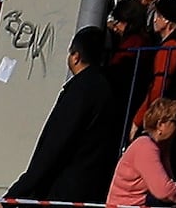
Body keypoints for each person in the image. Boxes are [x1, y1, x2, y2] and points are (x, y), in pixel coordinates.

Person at [16, 24, 144, 201]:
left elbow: (55, 145)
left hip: (65, 187)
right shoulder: (108, 88)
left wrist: (20, 191)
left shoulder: (81, 90)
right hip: (93, 185)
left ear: (76, 56)